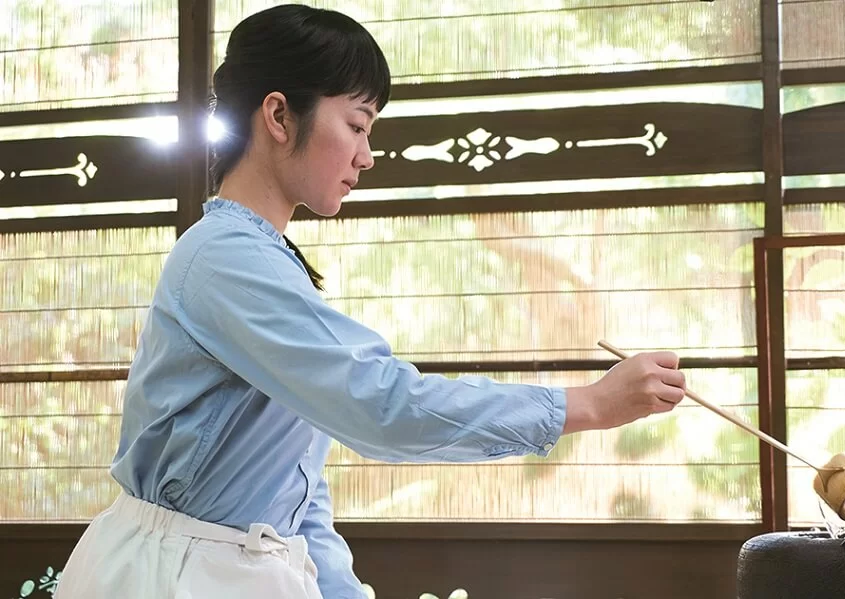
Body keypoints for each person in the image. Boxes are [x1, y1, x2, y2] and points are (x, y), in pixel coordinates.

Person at [54, 5, 687, 598]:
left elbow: (296, 494)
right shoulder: (226, 258)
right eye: (356, 125)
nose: (367, 155)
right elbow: (383, 408)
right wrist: (588, 404)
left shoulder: (264, 259)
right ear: (279, 116)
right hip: (175, 576)